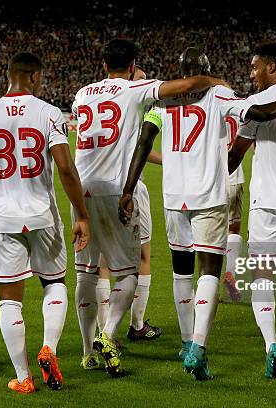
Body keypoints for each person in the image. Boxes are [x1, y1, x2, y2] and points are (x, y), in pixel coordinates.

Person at [119, 47, 276, 381]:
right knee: (209, 270)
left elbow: (143, 141)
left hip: (173, 196)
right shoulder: (220, 94)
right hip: (208, 195)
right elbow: (261, 112)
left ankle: (184, 341)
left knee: (181, 270)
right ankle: (197, 346)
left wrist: (128, 189)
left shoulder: (164, 98)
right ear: (207, 69)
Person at [72, 39, 228, 377]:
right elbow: (185, 86)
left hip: (82, 191)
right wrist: (213, 80)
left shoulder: (83, 94)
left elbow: (138, 139)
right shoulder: (136, 90)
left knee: (86, 271)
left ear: (102, 64)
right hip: (118, 189)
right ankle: (110, 333)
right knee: (130, 270)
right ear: (131, 68)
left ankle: (87, 352)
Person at [0, 52, 90, 394]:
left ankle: (23, 377)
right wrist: (81, 214)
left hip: (5, 219)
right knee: (54, 283)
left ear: (9, 76)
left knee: (10, 300)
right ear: (34, 77)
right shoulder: (48, 113)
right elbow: (66, 168)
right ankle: (48, 346)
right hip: (42, 216)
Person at [227, 42, 276, 378]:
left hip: (267, 200)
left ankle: (270, 343)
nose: (251, 72)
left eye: (255, 66)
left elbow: (236, 155)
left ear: (272, 66)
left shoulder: (258, 102)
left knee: (262, 275)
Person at [94, 65, 163, 347]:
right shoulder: (139, 106)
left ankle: (102, 330)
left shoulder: (97, 99)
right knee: (141, 258)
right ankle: (134, 325)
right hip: (128, 190)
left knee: (101, 263)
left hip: (96, 187)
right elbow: (142, 147)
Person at [223, 114, 245, 302]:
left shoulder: (210, 105)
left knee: (207, 238)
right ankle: (230, 272)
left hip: (211, 179)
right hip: (234, 177)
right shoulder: (236, 107)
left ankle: (208, 288)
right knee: (234, 229)